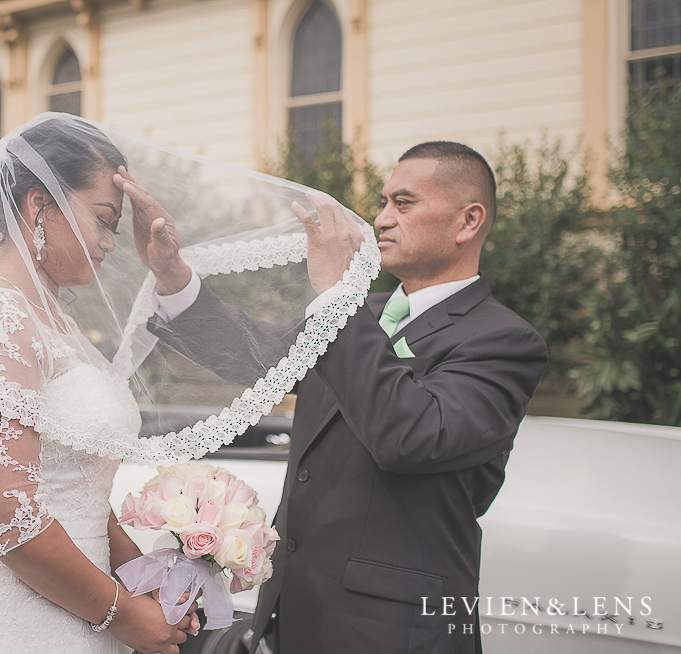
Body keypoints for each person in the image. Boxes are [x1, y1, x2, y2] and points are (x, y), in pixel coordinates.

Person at [0, 114, 380, 654]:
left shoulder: (58, 325)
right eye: (103, 221)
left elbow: (84, 499)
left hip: (75, 606)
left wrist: (150, 587)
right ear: (38, 204)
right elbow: (5, 514)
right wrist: (123, 615)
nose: (109, 245)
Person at [115, 141, 548, 653]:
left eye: (403, 204)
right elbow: (260, 358)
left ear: (467, 222)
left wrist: (337, 296)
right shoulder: (360, 311)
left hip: (395, 635)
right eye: (383, 202)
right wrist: (172, 276)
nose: (382, 219)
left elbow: (408, 436)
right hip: (295, 616)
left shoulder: (502, 340)